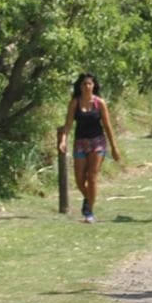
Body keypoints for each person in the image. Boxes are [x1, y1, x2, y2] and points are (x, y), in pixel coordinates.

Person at [56, 72, 121, 223]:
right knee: (79, 180)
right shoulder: (75, 103)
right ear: (80, 86)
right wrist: (63, 141)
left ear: (94, 86)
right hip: (80, 143)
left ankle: (89, 212)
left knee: (92, 177)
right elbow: (68, 125)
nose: (87, 86)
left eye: (89, 84)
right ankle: (89, 198)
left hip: (97, 142)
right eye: (84, 84)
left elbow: (108, 126)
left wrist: (114, 147)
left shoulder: (100, 103)